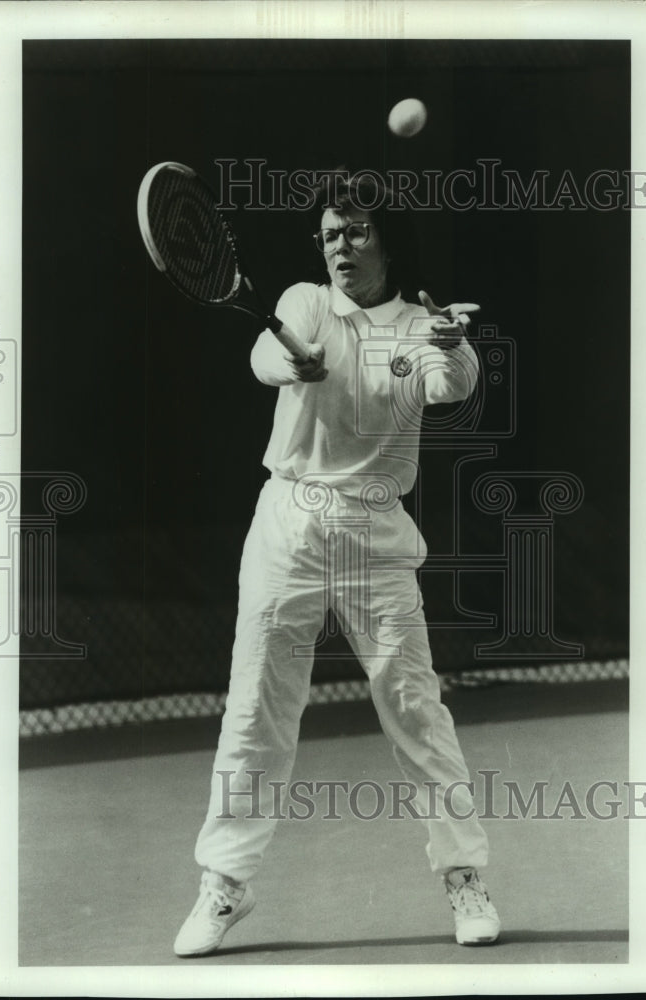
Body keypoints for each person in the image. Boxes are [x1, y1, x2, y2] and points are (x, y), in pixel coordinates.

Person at [174, 173, 500, 957]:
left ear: (385, 239)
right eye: (328, 234)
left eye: (355, 231)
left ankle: (465, 880)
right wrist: (294, 366)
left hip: (375, 537)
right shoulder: (303, 303)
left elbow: (449, 386)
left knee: (416, 707)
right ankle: (225, 885)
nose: (339, 246)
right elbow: (264, 350)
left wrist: (453, 349)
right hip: (289, 525)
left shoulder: (423, 322)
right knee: (255, 707)